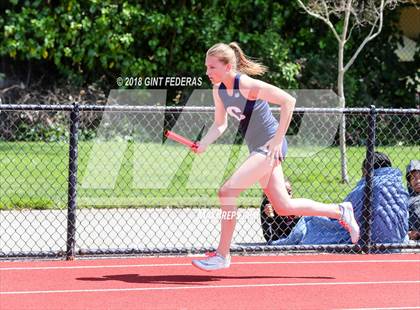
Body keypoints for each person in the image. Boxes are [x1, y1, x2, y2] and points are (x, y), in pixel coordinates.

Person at [191, 42, 359, 271]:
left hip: (270, 148)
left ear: (228, 66)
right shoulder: (219, 90)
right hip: (258, 150)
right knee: (283, 206)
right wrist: (204, 143)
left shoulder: (247, 84)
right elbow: (219, 125)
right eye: (206, 67)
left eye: (212, 67)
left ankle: (222, 254)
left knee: (227, 191)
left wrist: (278, 140)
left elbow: (289, 101)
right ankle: (340, 211)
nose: (207, 72)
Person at [406, 160, 420, 240]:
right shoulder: (406, 199)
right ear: (409, 182)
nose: (418, 181)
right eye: (413, 178)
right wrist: (408, 233)